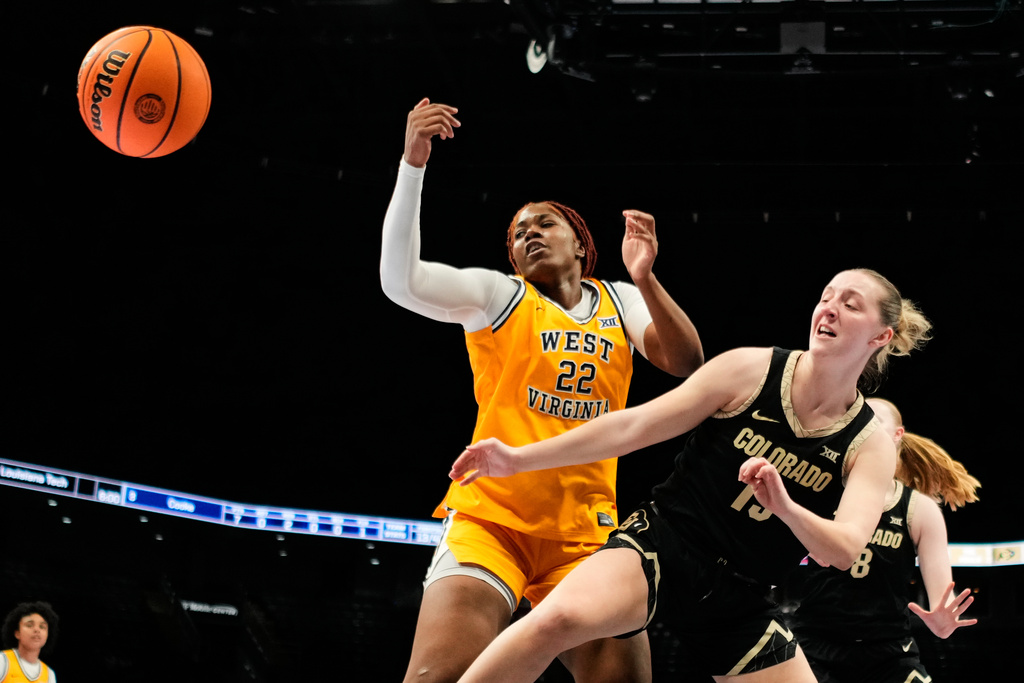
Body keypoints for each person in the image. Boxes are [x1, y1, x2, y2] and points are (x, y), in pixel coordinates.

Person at [449, 268, 933, 683]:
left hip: (741, 598)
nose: (828, 309)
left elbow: (844, 549)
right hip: (664, 547)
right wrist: (516, 458)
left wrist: (785, 507)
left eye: (849, 305)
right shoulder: (750, 369)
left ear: (881, 337)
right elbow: (633, 425)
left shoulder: (868, 443)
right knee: (556, 619)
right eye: (826, 297)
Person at [380, 98, 704, 683]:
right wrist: (412, 165)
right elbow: (399, 282)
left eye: (544, 224)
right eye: (517, 233)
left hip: (586, 533)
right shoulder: (498, 297)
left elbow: (685, 362)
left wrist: (646, 278)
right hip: (493, 520)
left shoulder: (619, 301)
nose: (529, 235)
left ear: (581, 243)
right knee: (438, 678)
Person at [783, 397, 980, 682]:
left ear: (897, 434)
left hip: (889, 652)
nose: (862, 430)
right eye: (855, 423)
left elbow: (943, 598)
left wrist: (944, 622)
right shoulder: (823, 491)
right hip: (815, 646)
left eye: (871, 422)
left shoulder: (920, 509)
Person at [1, 602, 58, 683]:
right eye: (29, 625)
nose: (37, 630)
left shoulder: (49, 674)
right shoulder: (3, 661)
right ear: (17, 633)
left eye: (42, 627)